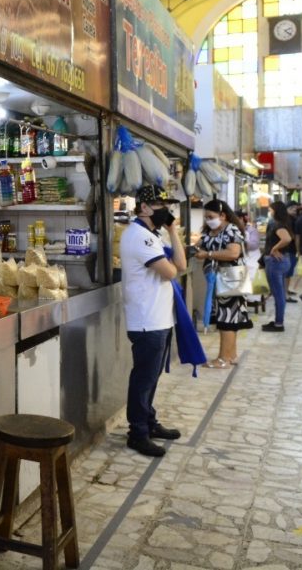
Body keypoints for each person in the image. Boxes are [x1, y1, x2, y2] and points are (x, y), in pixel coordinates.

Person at [120, 184, 186, 457]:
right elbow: (170, 272)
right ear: (144, 207)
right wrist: (170, 236)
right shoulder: (139, 237)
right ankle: (137, 433)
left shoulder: (152, 235)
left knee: (152, 377)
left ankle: (148, 422)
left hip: (159, 319)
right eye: (160, 205)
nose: (165, 210)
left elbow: (181, 265)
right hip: (147, 321)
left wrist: (173, 230)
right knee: (143, 379)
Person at [194, 200, 252, 368]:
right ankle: (231, 355)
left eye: (210, 216)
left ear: (223, 215)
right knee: (227, 318)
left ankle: (223, 359)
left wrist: (208, 254)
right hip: (220, 280)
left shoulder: (231, 230)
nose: (208, 220)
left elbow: (233, 253)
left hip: (231, 279)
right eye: (206, 217)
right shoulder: (210, 232)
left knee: (227, 319)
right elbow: (199, 245)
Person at [261, 201, 293, 332]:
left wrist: (274, 248)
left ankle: (279, 323)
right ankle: (278, 321)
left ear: (275, 211)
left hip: (275, 262)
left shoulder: (276, 224)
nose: (269, 212)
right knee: (279, 293)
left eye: (270, 210)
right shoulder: (283, 223)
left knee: (278, 294)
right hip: (282, 261)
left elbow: (286, 239)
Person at [284, 202, 301, 302]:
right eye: (291, 208)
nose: (294, 209)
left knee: (289, 272)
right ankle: (285, 294)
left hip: (291, 250)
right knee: (287, 272)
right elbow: (293, 236)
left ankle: (286, 290)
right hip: (288, 250)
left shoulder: (293, 219)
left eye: (295, 208)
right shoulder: (287, 221)